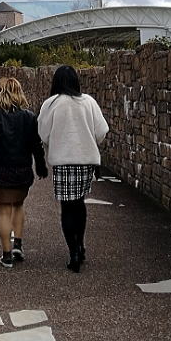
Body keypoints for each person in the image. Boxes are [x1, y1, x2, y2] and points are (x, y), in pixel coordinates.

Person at [37, 65, 109, 273]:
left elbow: (43, 134)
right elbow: (102, 131)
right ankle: (81, 244)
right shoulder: (88, 102)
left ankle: (73, 252)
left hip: (63, 161)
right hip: (86, 160)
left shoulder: (51, 104)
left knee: (67, 207)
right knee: (80, 204)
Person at [0, 78, 48, 269]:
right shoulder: (29, 116)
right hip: (22, 170)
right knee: (18, 206)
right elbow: (36, 145)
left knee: (4, 212)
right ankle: (18, 245)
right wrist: (41, 167)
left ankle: (6, 255)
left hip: (0, 169)